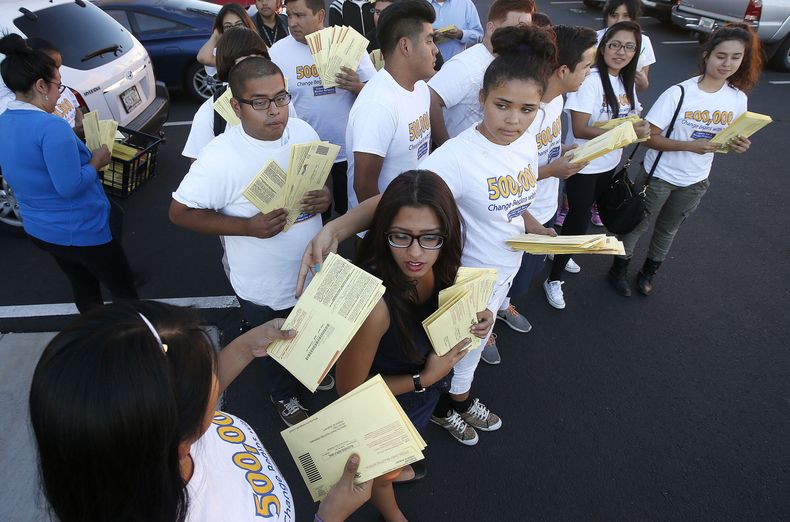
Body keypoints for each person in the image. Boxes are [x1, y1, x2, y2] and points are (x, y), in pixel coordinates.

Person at [29, 301, 373, 522]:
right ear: (179, 439)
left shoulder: (136, 447)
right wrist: (330, 516)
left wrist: (244, 347)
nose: (215, 374)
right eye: (209, 371)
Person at [170, 57, 333, 427]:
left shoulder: (304, 130)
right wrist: (248, 227)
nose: (275, 111)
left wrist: (326, 196)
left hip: (315, 273)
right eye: (259, 102)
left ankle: (309, 371)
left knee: (310, 331)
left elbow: (324, 182)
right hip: (264, 286)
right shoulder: (220, 158)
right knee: (274, 344)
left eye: (281, 98)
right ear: (235, 106)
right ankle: (283, 395)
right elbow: (179, 212)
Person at [419, 25, 557, 442]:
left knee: (473, 350)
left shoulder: (526, 141)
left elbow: (521, 199)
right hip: (464, 279)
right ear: (482, 100)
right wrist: (337, 226)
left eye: (527, 109)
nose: (514, 120)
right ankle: (441, 409)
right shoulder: (455, 158)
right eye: (502, 105)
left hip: (505, 270)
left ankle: (459, 399)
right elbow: (400, 202)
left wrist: (535, 227)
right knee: (451, 349)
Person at [336, 170, 488, 520]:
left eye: (430, 238)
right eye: (401, 237)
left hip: (422, 395)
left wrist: (481, 317)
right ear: (383, 232)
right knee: (381, 473)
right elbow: (348, 393)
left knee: (400, 457)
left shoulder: (446, 265)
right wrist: (425, 380)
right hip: (389, 401)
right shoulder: (375, 306)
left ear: (446, 235)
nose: (416, 254)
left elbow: (453, 306)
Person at [611, 23, 760, 295]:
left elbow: (726, 140)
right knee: (636, 226)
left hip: (696, 180)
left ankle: (648, 272)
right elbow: (648, 138)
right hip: (660, 176)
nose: (727, 63)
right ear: (707, 56)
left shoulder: (738, 99)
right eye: (721, 56)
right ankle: (619, 268)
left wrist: (738, 145)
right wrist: (691, 146)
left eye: (735, 57)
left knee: (668, 230)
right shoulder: (679, 93)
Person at [0, 34, 137, 313]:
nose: (58, 92)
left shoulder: (5, 121)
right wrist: (96, 161)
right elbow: (70, 186)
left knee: (83, 287)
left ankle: (93, 334)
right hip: (82, 229)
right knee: (125, 293)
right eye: (57, 85)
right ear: (40, 86)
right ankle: (135, 340)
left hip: (42, 230)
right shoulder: (51, 127)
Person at [487, 25, 597, 362]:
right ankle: (484, 328)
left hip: (545, 205)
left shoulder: (559, 100)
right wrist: (552, 170)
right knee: (496, 275)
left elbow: (546, 148)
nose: (590, 74)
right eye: (587, 66)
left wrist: (562, 153)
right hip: (518, 212)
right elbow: (499, 173)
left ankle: (504, 307)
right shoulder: (523, 115)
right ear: (563, 70)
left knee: (521, 275)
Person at [543, 21, 651, 310]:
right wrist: (626, 133)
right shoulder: (589, 80)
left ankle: (561, 252)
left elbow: (632, 116)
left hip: (609, 161)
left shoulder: (625, 81)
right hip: (584, 163)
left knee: (584, 221)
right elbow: (579, 128)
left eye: (630, 47)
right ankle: (553, 279)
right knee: (578, 220)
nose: (621, 52)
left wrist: (640, 127)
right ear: (603, 48)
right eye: (614, 44)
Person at [269, 0, 376, 219]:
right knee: (314, 219)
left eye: (300, 15)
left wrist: (357, 86)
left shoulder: (346, 43)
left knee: (355, 218)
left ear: (320, 15)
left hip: (348, 151)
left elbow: (377, 93)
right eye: (289, 16)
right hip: (305, 155)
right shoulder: (277, 52)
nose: (293, 23)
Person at [346, 0, 438, 208]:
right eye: (429, 41)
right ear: (405, 46)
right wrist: (391, 229)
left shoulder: (421, 88)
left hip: (414, 215)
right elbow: (364, 187)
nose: (436, 50)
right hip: (385, 231)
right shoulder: (377, 105)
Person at [428, 0, 534, 146]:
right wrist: (445, 145)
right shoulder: (465, 65)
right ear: (491, 28)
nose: (523, 37)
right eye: (516, 29)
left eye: (527, 31)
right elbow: (431, 99)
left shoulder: (508, 63)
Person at [183, 28, 299, 162]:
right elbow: (198, 164)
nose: (254, 67)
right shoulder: (209, 112)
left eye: (259, 59)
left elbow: (296, 141)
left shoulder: (282, 100)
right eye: (245, 61)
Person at [26, 38, 83, 134]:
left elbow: (76, 107)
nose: (59, 74)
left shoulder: (57, 82)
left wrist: (80, 123)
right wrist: (74, 134)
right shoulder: (32, 103)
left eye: (59, 67)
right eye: (55, 68)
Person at [597, 0, 655, 92]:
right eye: (613, 15)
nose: (619, 20)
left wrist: (643, 83)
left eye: (626, 16)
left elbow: (641, 86)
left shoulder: (644, 41)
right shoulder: (594, 39)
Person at [197, 4, 258, 80]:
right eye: (228, 26)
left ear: (246, 25)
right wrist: (215, 36)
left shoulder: (257, 46)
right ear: (222, 30)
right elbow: (203, 58)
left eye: (239, 24)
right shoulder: (223, 53)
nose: (234, 30)